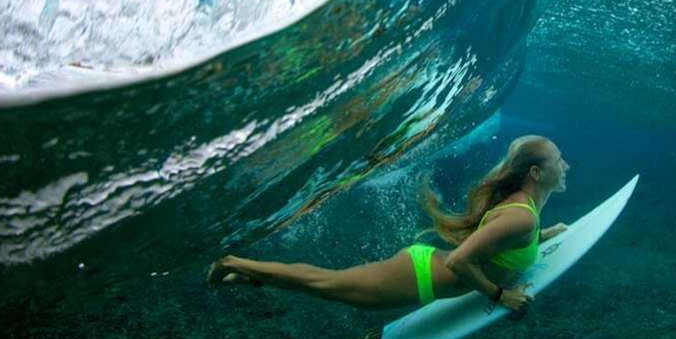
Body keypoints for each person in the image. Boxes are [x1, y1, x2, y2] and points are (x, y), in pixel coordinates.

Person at [207, 135, 570, 312]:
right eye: (559, 160)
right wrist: (500, 296)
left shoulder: (525, 215)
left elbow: (501, 241)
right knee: (322, 283)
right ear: (536, 173)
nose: (566, 165)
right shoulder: (522, 217)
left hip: (424, 267)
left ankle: (247, 276)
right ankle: (232, 263)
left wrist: (544, 235)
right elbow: (461, 261)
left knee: (321, 283)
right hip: (419, 277)